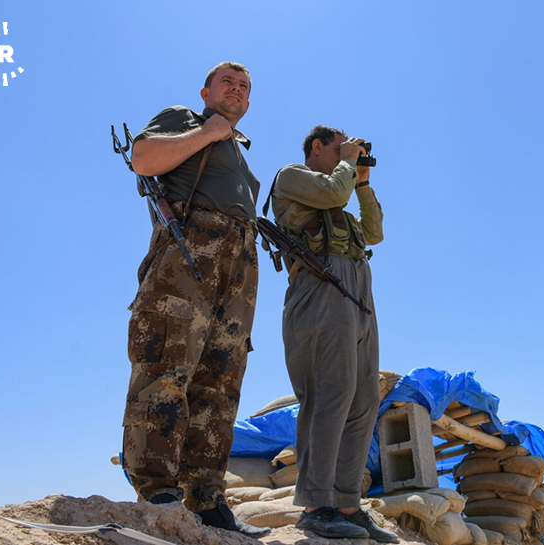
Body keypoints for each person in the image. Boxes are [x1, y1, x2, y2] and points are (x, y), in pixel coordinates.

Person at [121, 62, 269, 539]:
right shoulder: (184, 119)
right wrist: (208, 133)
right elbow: (143, 159)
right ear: (205, 92)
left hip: (239, 265)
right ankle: (158, 492)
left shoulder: (241, 152)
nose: (236, 89)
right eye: (227, 81)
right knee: (166, 368)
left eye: (244, 86)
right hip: (190, 252)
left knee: (220, 382)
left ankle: (207, 498)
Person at [270, 126, 398, 542]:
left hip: (358, 296)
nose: (349, 151)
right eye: (340, 146)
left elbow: (374, 233)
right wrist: (347, 166)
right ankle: (316, 506)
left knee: (363, 400)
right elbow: (331, 194)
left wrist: (363, 183)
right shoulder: (293, 177)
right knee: (330, 394)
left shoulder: (341, 192)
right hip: (321, 290)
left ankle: (346, 504)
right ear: (317, 147)